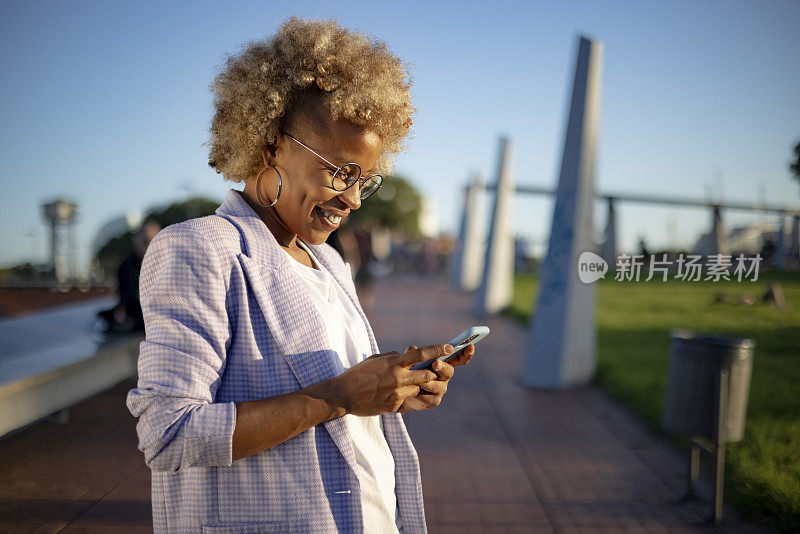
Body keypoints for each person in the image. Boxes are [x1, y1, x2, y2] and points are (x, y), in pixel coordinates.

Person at [126, 18, 474, 534]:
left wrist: (393, 384)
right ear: (270, 147)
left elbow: (344, 404)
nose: (353, 199)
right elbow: (169, 432)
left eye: (366, 181)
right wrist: (336, 396)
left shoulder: (330, 262)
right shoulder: (199, 250)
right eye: (341, 172)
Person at [97, 218, 161, 332]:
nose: (149, 247)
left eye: (154, 241)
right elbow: (128, 296)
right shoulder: (127, 265)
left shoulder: (165, 262)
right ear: (135, 241)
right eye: (146, 242)